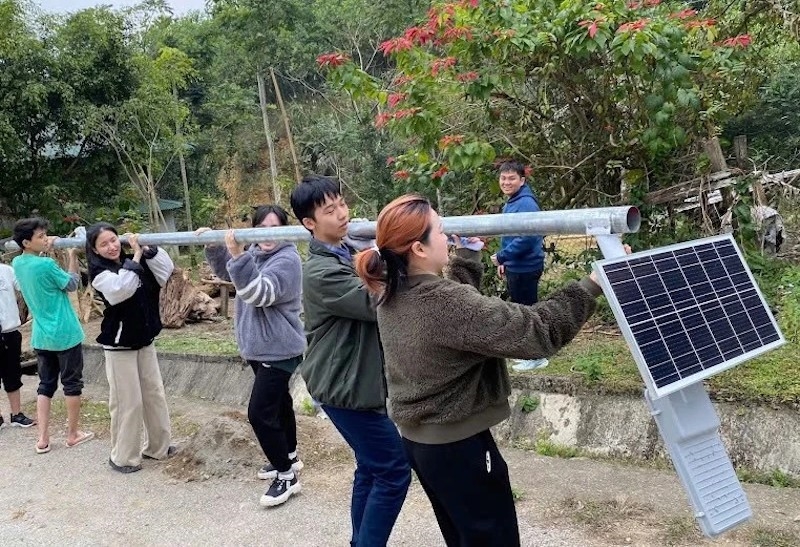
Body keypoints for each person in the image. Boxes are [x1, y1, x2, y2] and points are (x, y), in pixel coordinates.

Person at [354, 194, 608, 547]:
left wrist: (468, 258)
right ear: (420, 249)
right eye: (440, 231)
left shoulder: (391, 291)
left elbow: (459, 320)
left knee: (464, 536)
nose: (447, 236)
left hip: (423, 443)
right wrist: (591, 284)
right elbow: (537, 331)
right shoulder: (444, 305)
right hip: (459, 449)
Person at [290, 175, 410, 546]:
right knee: (393, 471)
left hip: (355, 385)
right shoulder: (322, 271)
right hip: (344, 388)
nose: (342, 213)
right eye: (330, 210)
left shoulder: (342, 253)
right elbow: (378, 303)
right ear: (310, 223)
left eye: (342, 203)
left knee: (372, 469)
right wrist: (405, 252)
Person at [197, 205, 306, 507]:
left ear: (285, 229)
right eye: (261, 227)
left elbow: (258, 293)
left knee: (259, 413)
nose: (267, 234)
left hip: (280, 347)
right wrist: (216, 248)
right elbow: (230, 274)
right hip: (260, 346)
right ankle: (290, 456)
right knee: (280, 404)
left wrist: (237, 254)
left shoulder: (288, 260)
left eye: (274, 227)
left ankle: (286, 477)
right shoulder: (257, 253)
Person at [86, 223, 175, 473]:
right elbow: (120, 291)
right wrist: (135, 256)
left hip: (145, 339)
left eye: (114, 240)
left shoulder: (134, 262)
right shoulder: (100, 273)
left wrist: (149, 251)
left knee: (154, 395)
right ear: (94, 249)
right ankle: (123, 457)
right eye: (104, 244)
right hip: (119, 346)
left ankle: (158, 447)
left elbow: (165, 272)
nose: (112, 247)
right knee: (128, 402)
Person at [11, 218, 94, 454]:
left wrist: (47, 249)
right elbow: (71, 284)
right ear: (27, 242)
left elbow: (39, 270)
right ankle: (72, 434)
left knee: (45, 386)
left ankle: (43, 438)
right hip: (65, 333)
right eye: (41, 237)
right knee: (72, 384)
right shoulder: (45, 266)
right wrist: (72, 255)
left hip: (42, 336)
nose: (45, 239)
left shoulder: (18, 263)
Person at [490, 160, 549, 371]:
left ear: (522, 180)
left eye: (511, 178)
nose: (506, 182)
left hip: (526, 267)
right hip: (516, 266)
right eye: (503, 178)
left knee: (527, 312)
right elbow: (510, 234)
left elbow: (528, 238)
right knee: (522, 310)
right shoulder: (513, 201)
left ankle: (537, 356)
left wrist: (503, 256)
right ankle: (530, 353)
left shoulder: (526, 203)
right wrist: (505, 261)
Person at [0, 262, 37, 430]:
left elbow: (25, 286)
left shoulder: (7, 270)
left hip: (10, 330)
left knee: (13, 373)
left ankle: (17, 414)